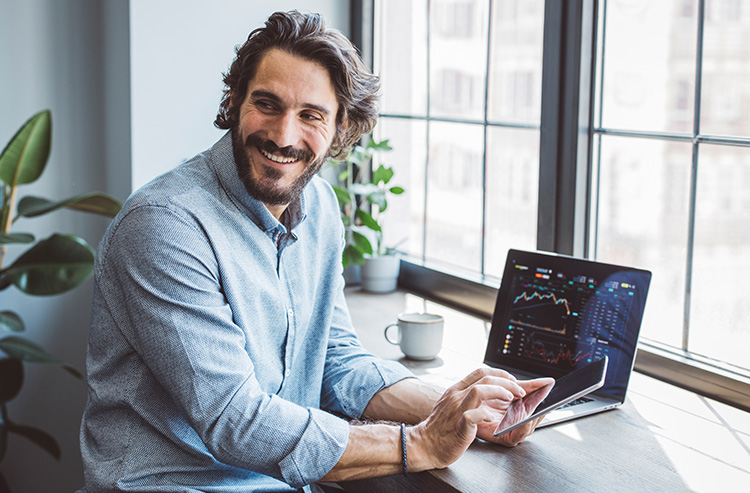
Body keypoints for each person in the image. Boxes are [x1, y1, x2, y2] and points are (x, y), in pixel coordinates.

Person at [79, 10, 552, 492]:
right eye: (266, 104)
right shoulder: (165, 225)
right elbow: (235, 420)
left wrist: (461, 407)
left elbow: (332, 359)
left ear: (341, 128)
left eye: (311, 115)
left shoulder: (321, 207)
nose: (283, 136)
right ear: (234, 100)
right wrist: (423, 443)